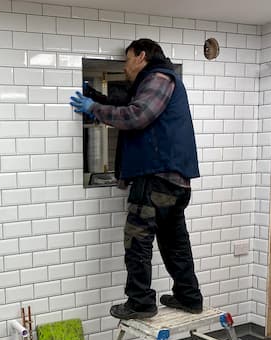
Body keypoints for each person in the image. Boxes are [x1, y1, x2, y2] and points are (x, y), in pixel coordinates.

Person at [70, 38, 203, 320]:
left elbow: (136, 114)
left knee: (137, 240)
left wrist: (93, 108)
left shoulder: (158, 77)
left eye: (127, 60)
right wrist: (97, 98)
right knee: (174, 242)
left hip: (155, 179)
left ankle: (141, 302)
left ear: (142, 56)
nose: (125, 67)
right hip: (175, 182)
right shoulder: (160, 81)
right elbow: (129, 103)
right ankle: (189, 296)